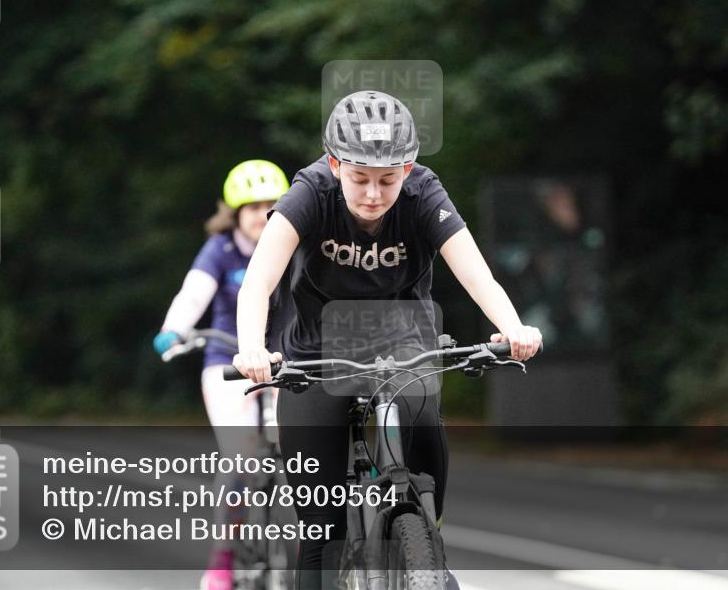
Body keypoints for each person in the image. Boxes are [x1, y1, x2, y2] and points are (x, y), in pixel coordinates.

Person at [231, 90, 543, 589]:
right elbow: (258, 282)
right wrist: (252, 347)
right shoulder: (309, 192)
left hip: (405, 346)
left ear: (409, 167)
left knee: (424, 434)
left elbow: (478, 275)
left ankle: (424, 548)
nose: (374, 194)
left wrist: (513, 327)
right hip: (317, 357)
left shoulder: (424, 193)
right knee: (321, 531)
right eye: (359, 179)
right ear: (335, 164)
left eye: (387, 180)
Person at [153, 159, 290, 590]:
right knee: (242, 457)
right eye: (252, 207)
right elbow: (194, 293)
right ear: (234, 213)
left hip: (285, 361)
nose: (261, 215)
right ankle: (222, 561)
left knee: (304, 448)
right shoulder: (221, 250)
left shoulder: (291, 244)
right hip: (228, 364)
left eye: (271, 206)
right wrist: (173, 331)